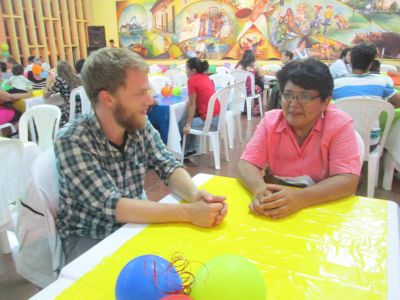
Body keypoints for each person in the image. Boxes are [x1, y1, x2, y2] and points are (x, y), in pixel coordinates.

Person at [54, 48, 227, 263]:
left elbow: (168, 165)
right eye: (139, 93)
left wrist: (195, 195)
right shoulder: (72, 140)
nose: (150, 100)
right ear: (107, 98)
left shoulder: (138, 124)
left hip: (133, 225)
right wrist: (190, 213)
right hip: (90, 237)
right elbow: (113, 205)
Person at [238, 58, 361, 219]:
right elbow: (246, 164)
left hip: (322, 204)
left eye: (305, 97)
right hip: (278, 204)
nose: (293, 104)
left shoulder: (339, 125)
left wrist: (300, 198)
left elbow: (347, 180)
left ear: (325, 101)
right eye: (288, 95)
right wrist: (259, 189)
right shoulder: (271, 122)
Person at [333, 42, 400, 149]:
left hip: (342, 143)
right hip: (371, 143)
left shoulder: (336, 85)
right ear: (371, 63)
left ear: (350, 61)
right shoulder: (381, 82)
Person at [179, 57, 219, 157]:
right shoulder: (206, 77)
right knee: (190, 118)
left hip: (210, 121)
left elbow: (192, 104)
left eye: (187, 69)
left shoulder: (192, 80)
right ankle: (193, 147)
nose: (185, 72)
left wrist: (188, 125)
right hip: (218, 118)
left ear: (193, 70)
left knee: (182, 123)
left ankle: (186, 150)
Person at [45, 61, 82, 126]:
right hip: (81, 108)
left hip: (70, 111)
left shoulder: (60, 80)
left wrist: (48, 85)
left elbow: (47, 94)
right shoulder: (77, 78)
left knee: (54, 117)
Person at [235, 50, 264, 115]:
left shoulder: (239, 65)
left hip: (239, 90)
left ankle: (244, 109)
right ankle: (256, 110)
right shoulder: (254, 64)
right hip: (250, 90)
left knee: (245, 89)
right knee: (259, 89)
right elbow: (261, 75)